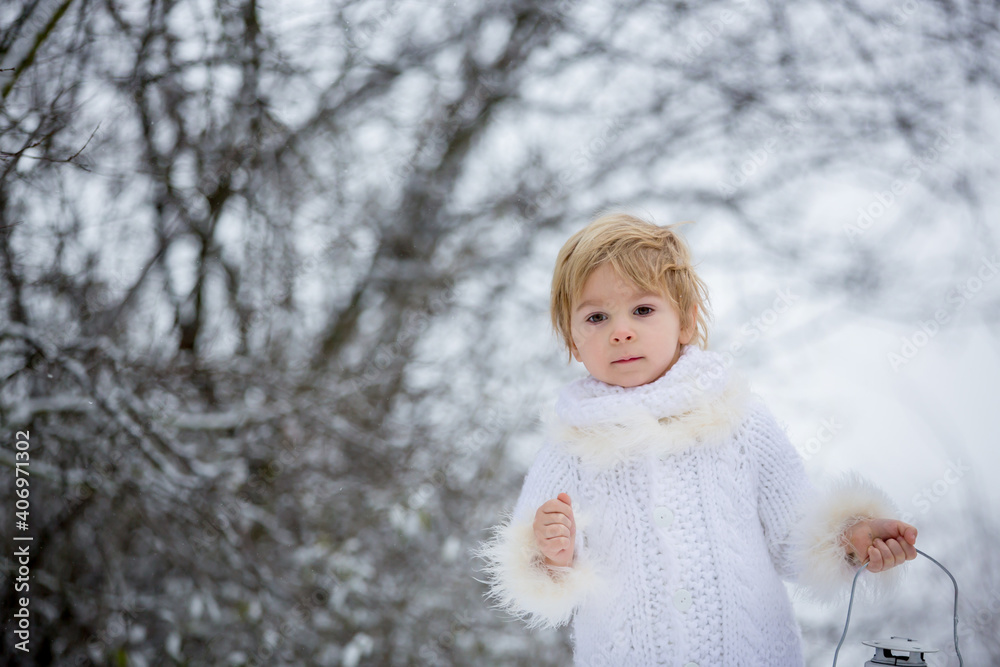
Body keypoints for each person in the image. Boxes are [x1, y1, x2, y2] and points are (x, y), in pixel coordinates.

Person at [475, 212, 918, 666]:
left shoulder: (738, 420)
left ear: (686, 321)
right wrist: (551, 553)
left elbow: (796, 539)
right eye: (596, 317)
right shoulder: (571, 445)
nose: (620, 330)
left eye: (642, 310)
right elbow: (538, 571)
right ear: (572, 339)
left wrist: (850, 538)